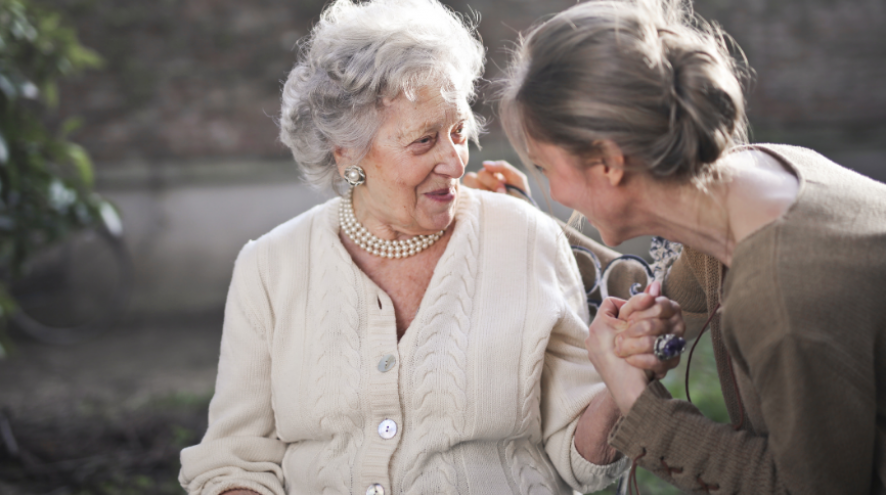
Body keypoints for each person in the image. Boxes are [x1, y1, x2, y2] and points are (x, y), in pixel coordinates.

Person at [178, 1, 685, 494]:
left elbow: (580, 462)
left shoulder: (526, 239)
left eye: (459, 131)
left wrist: (622, 377)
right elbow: (235, 458)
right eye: (424, 141)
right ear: (347, 154)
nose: (454, 161)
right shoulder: (270, 267)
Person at [490, 0, 886, 493]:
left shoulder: (782, 296)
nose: (557, 193)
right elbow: (659, 297)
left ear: (609, 164)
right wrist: (515, 217)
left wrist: (639, 405)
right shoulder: (753, 177)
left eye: (545, 168)